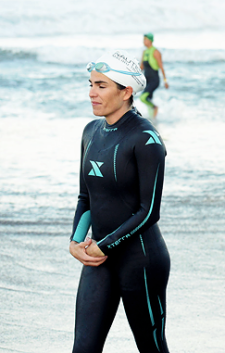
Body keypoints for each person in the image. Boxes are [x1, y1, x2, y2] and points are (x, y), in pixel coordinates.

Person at [70, 50, 170, 353]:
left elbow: (149, 211)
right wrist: (76, 241)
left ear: (126, 92)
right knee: (83, 349)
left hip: (141, 261)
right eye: (90, 84)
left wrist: (105, 244)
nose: (91, 93)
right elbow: (86, 196)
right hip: (98, 260)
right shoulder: (90, 132)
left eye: (101, 86)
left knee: (152, 348)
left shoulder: (145, 139)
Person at [140, 33, 169, 119]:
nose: (144, 41)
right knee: (149, 99)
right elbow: (141, 67)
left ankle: (155, 108)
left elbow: (161, 67)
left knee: (143, 98)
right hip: (147, 81)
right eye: (143, 40)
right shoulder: (144, 52)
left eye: (145, 40)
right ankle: (152, 119)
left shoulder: (156, 52)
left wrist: (165, 81)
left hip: (154, 80)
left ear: (150, 40)